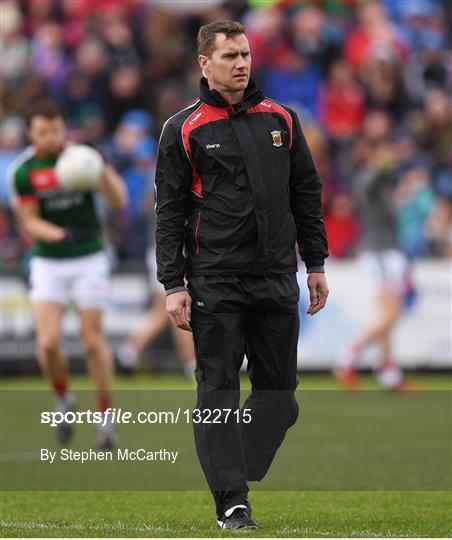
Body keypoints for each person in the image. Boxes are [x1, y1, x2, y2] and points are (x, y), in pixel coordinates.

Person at [155, 21, 329, 529]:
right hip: (214, 280)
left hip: (276, 277)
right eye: (230, 55)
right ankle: (232, 500)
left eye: (246, 53)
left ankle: (236, 464)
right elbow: (168, 212)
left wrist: (315, 264)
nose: (241, 63)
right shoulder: (181, 128)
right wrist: (173, 283)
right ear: (204, 64)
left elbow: (307, 196)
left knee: (280, 397)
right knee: (218, 391)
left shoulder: (283, 120)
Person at [9, 100, 127, 448]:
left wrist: (101, 169)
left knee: (93, 340)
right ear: (31, 133)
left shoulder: (82, 157)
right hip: (48, 261)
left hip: (89, 257)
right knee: (47, 343)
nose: (51, 137)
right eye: (43, 131)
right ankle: (64, 400)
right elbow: (29, 221)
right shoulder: (24, 171)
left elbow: (118, 201)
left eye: (57, 129)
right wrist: (60, 234)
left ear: (65, 127)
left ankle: (105, 418)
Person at [335, 140, 413, 390]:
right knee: (392, 313)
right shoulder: (366, 178)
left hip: (386, 252)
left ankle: (389, 374)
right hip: (379, 252)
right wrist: (382, 163)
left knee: (387, 315)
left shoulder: (379, 183)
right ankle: (348, 356)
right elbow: (372, 177)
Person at [116, 246, 196, 377]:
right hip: (173, 253)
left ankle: (128, 352)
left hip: (170, 252)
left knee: (166, 311)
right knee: (177, 308)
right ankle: (191, 364)